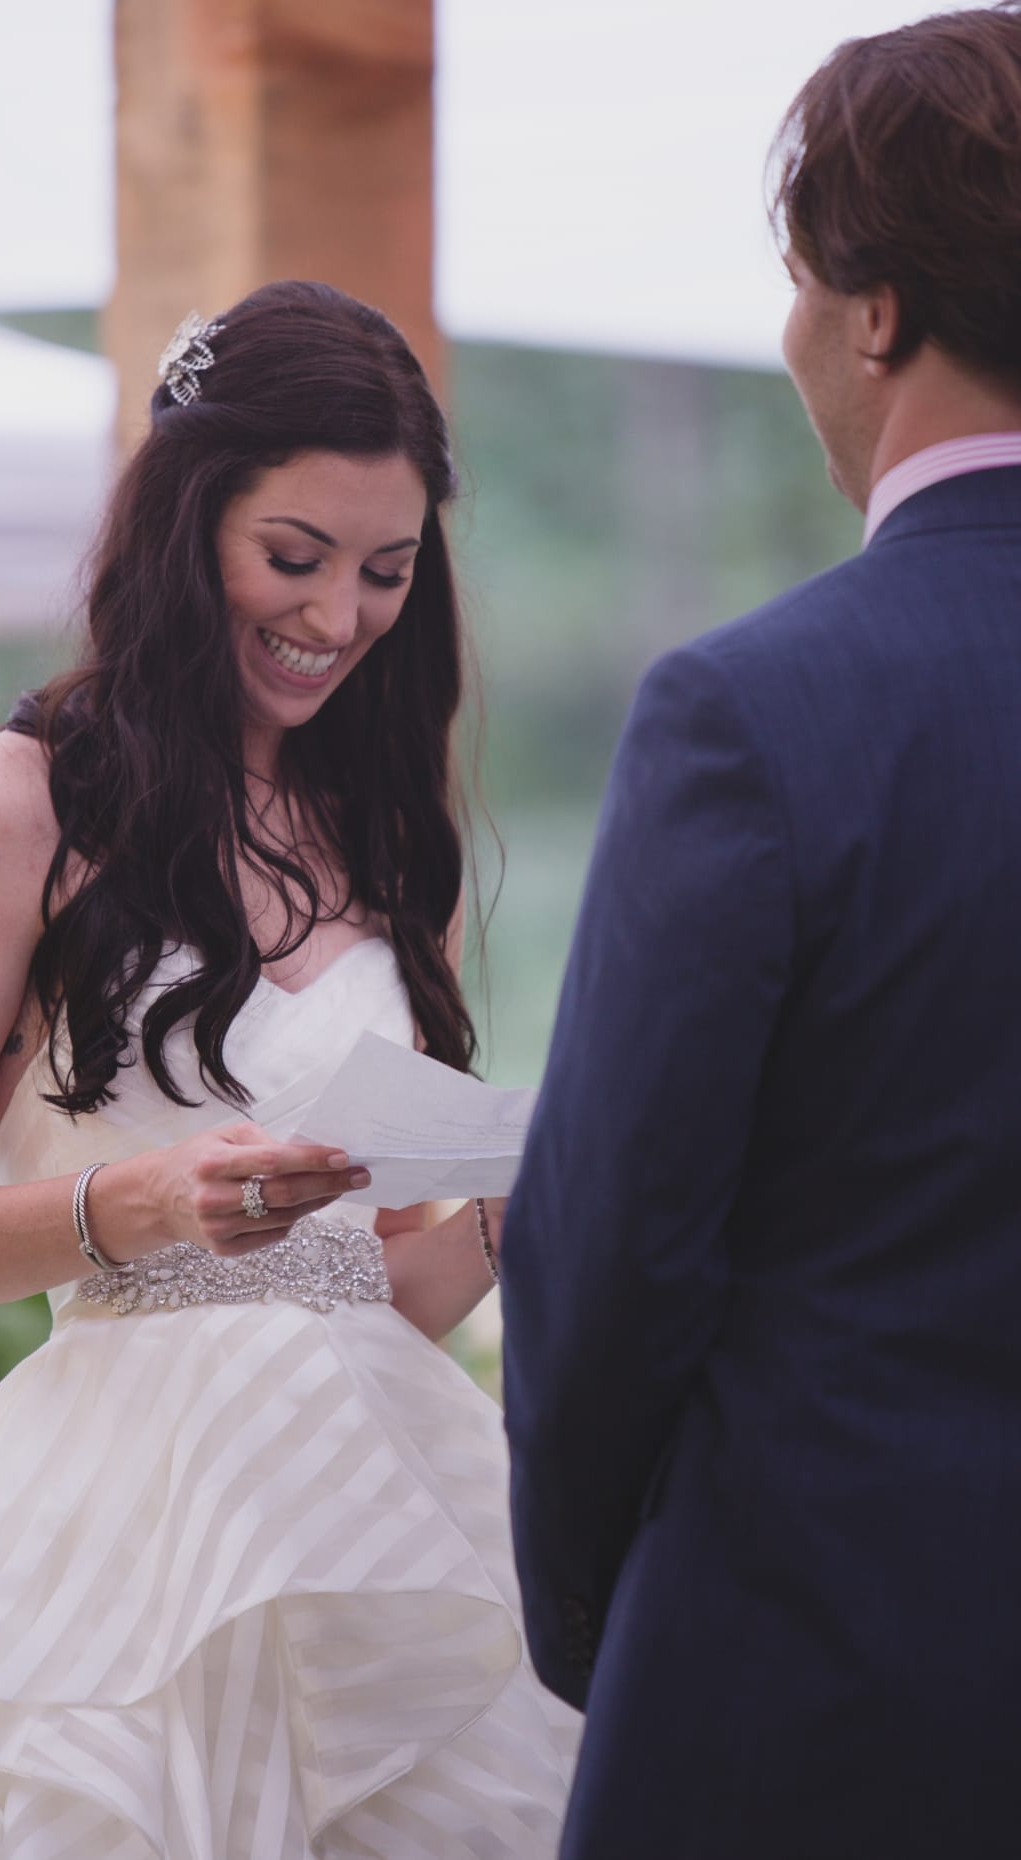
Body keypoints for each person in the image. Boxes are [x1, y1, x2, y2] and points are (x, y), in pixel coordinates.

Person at [0, 280, 579, 1858]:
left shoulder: (390, 843)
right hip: (121, 1516)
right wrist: (146, 1202)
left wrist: (526, 1193)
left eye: (387, 572)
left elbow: (380, 1290)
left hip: (391, 1505)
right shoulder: (5, 806)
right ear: (181, 520)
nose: (337, 616)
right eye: (293, 557)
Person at [500, 8, 1021, 1858]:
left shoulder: (756, 710)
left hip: (811, 1684)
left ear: (875, 310)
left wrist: (601, 1631)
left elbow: (616, 1243)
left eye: (798, 284)